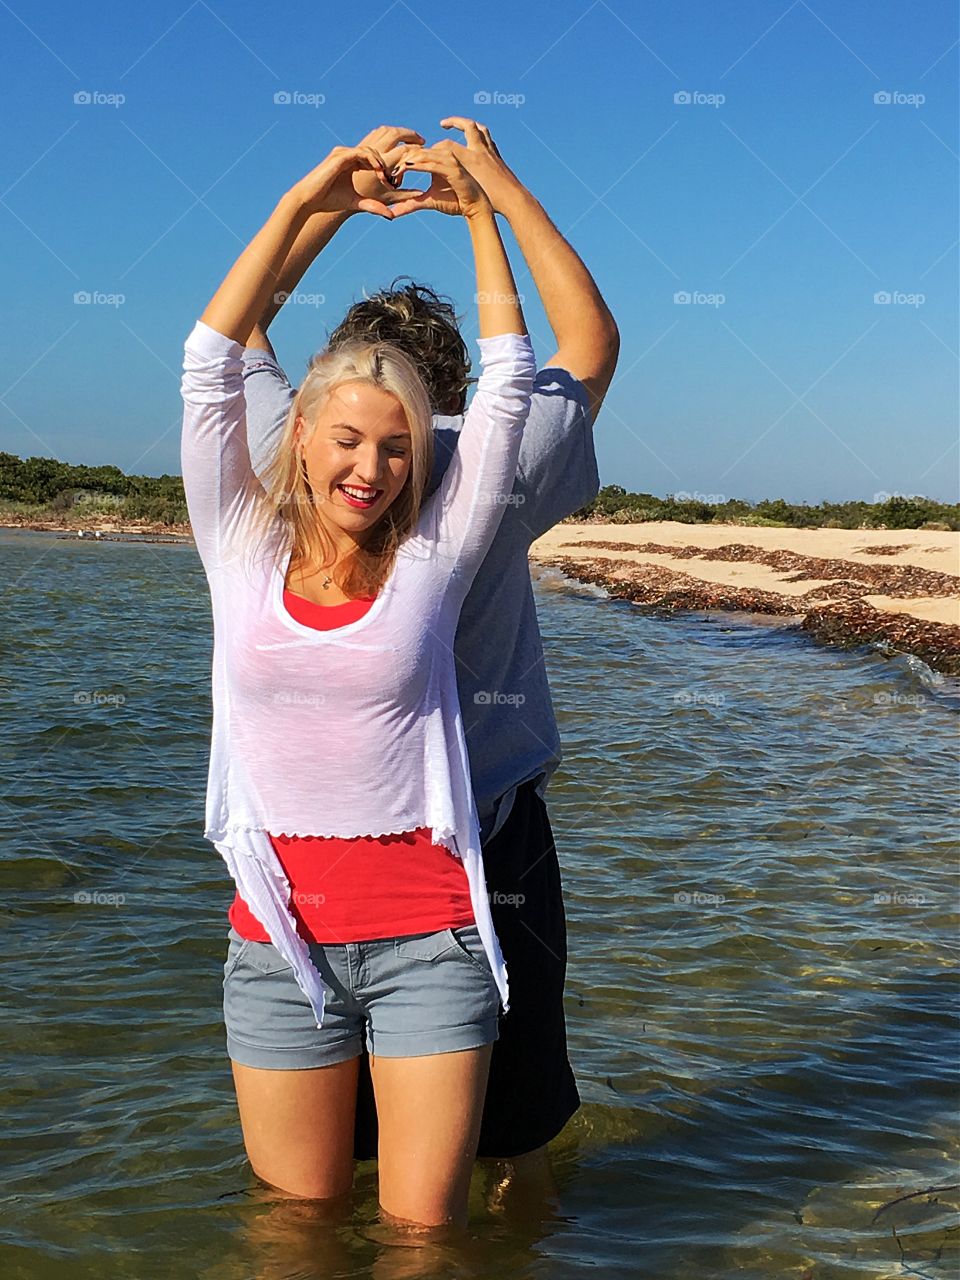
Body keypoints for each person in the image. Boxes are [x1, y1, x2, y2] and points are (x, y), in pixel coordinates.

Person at [228, 121, 619, 1195]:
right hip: (488, 838)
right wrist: (494, 189)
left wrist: (334, 203)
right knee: (510, 1143)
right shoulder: (510, 449)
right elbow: (590, 340)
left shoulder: (295, 452)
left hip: (314, 866)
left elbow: (241, 327)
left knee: (308, 1182)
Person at [181, 137, 538, 1230]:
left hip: (432, 940)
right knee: (297, 1237)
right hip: (278, 939)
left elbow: (511, 383)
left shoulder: (434, 556)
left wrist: (481, 213)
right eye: (346, 440)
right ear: (300, 441)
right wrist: (308, 198)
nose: (370, 469)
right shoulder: (237, 542)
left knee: (425, 1241)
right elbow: (210, 352)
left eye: (396, 450)